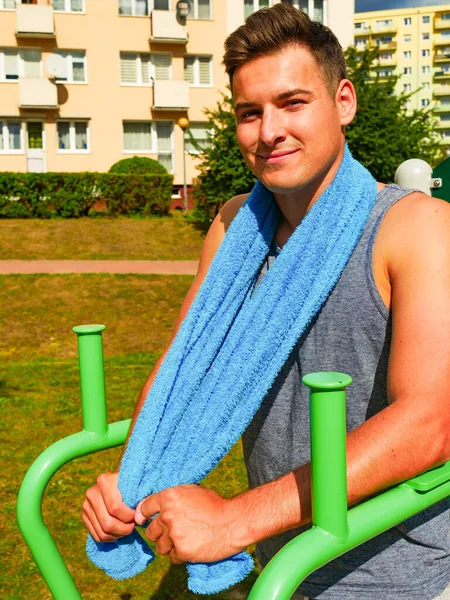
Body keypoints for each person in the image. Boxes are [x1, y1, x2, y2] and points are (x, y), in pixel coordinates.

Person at [82, 4, 450, 599]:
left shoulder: (417, 228)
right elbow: (183, 368)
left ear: (344, 102)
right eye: (249, 113)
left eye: (293, 102)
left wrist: (234, 520)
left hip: (404, 577)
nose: (269, 130)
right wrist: (136, 477)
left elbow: (430, 424)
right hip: (285, 568)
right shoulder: (234, 224)